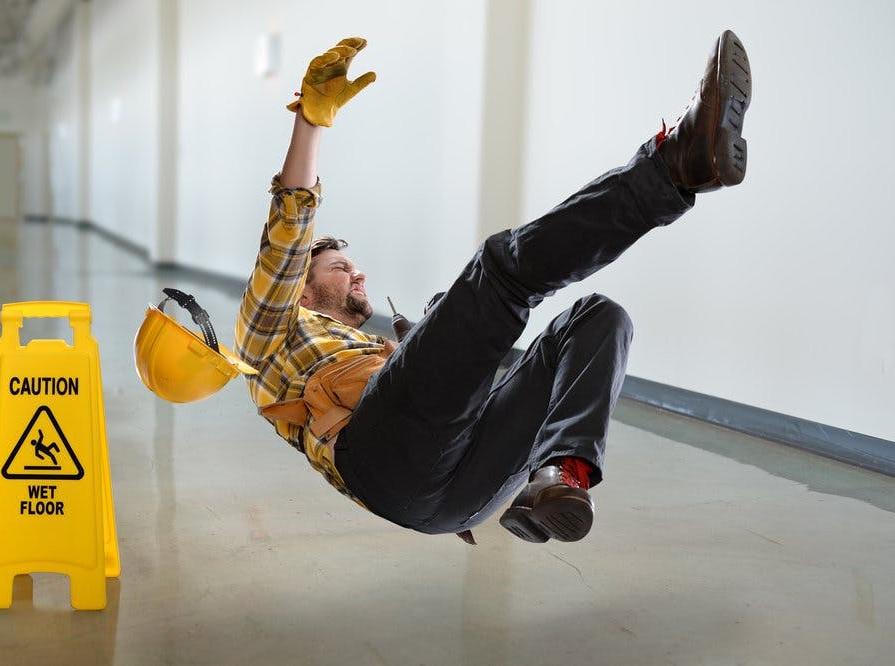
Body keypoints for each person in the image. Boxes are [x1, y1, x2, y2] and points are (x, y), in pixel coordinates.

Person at [234, 32, 752, 544]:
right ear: (301, 291)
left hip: (454, 499)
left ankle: (560, 475)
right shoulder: (269, 333)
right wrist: (309, 122)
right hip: (376, 461)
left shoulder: (369, 347)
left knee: (598, 317)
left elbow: (438, 401)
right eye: (339, 268)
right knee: (498, 274)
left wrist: (429, 337)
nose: (358, 274)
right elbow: (287, 237)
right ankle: (674, 166)